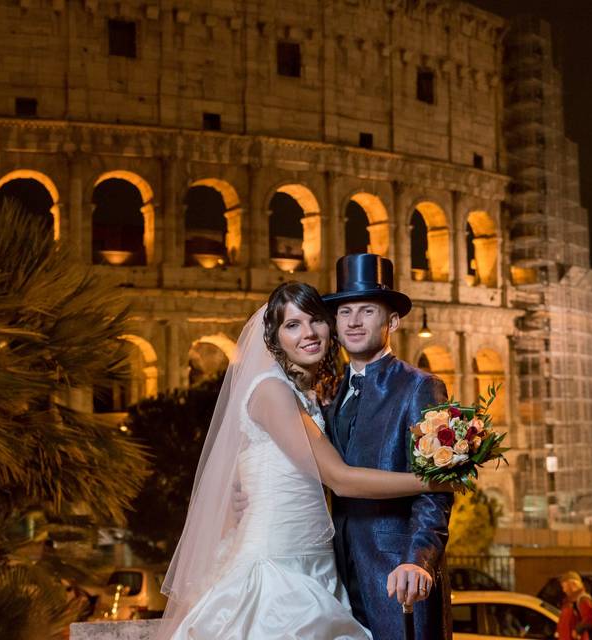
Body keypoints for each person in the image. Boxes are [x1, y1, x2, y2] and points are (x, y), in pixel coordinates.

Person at [156, 281, 454, 640]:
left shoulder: (316, 393)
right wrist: (434, 479)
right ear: (274, 338)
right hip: (277, 563)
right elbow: (339, 478)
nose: (308, 333)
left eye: (315, 320)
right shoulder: (272, 390)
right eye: (292, 325)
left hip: (319, 562)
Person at [322, 253, 454, 640]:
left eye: (367, 311)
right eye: (345, 312)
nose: (354, 322)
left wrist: (419, 560)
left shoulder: (420, 386)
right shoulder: (333, 389)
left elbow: (438, 489)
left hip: (396, 572)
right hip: (337, 572)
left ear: (392, 321)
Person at [556, 571, 592, 640]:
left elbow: (589, 619)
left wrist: (577, 630)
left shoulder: (582, 599)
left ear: (573, 585)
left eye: (565, 586)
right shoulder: (570, 601)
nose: (564, 590)